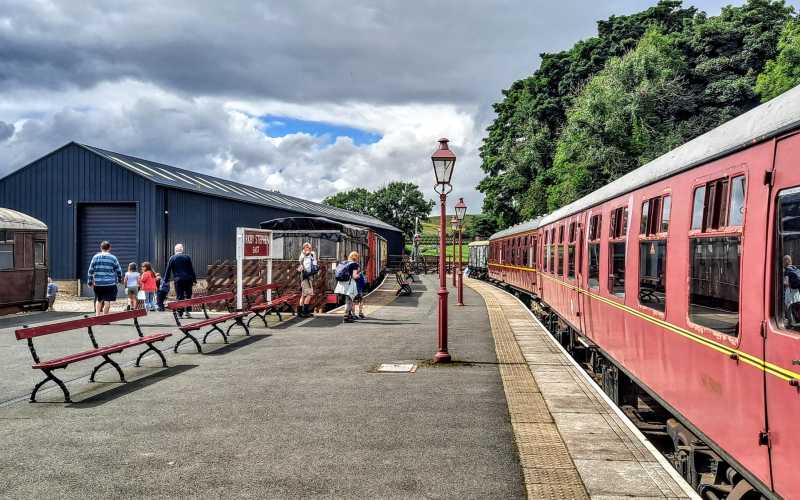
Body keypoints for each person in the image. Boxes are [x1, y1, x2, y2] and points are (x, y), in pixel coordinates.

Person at [87, 240, 122, 316]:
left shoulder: (95, 257)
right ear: (109, 248)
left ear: (101, 248)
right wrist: (119, 280)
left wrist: (90, 281)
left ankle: (97, 316)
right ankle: (105, 319)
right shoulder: (113, 258)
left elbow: (90, 270)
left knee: (99, 300)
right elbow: (119, 270)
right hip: (110, 284)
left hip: (98, 284)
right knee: (107, 302)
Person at [164, 243, 196, 318]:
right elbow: (191, 269)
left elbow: (168, 270)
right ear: (182, 250)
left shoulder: (172, 258)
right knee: (188, 295)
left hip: (178, 280)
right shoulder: (187, 257)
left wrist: (166, 280)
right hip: (188, 279)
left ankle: (180, 313)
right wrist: (194, 280)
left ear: (175, 250)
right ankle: (187, 312)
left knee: (179, 296)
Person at [334, 251, 360, 323]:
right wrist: (359, 275)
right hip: (349, 284)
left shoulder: (344, 262)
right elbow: (354, 276)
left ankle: (349, 315)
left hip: (342, 284)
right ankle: (346, 317)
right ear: (356, 257)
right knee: (349, 300)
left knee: (347, 299)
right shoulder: (354, 264)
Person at [297, 242, 318, 318]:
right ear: (304, 248)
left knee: (303, 295)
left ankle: (300, 312)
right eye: (307, 247)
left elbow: (314, 263)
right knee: (309, 294)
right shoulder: (303, 255)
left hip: (308, 277)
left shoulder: (311, 254)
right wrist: (307, 254)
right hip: (306, 277)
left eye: (309, 248)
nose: (308, 249)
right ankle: (305, 312)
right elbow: (302, 264)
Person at [783, 255, 800, 325]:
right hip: (797, 290)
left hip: (790, 290)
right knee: (797, 305)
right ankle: (797, 320)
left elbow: (786, 283)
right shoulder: (796, 269)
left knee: (789, 305)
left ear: (784, 262)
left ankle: (791, 322)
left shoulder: (787, 270)